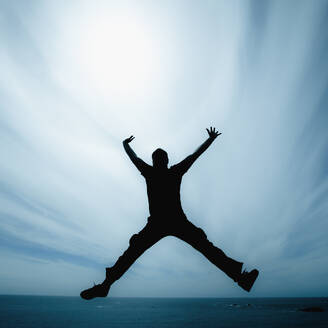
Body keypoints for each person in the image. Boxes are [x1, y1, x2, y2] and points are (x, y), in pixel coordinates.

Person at [80, 127, 259, 300]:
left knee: (132, 253)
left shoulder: (152, 172)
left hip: (164, 223)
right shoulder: (172, 172)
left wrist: (125, 144)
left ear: (158, 160)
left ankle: (106, 285)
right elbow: (193, 156)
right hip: (173, 222)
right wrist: (210, 140)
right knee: (206, 248)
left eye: (159, 157)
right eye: (159, 157)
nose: (159, 160)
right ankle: (240, 278)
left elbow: (135, 157)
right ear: (164, 160)